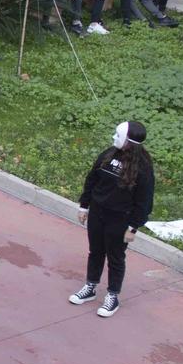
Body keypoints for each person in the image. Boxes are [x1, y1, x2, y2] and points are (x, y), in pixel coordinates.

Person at [69, 120, 154, 319]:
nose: (114, 138)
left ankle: (112, 296)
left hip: (120, 219)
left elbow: (145, 200)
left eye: (118, 135)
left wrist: (133, 227)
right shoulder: (108, 155)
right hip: (98, 212)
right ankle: (90, 287)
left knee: (115, 257)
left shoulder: (143, 168)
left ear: (129, 141)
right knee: (95, 251)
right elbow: (92, 179)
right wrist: (84, 206)